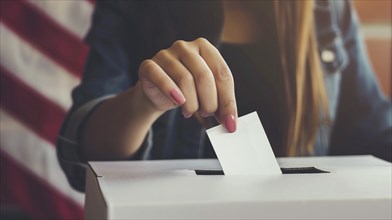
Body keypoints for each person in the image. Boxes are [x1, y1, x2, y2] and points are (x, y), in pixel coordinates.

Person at [57, 0, 392, 192]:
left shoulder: (325, 10)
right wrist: (144, 103)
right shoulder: (138, 7)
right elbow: (80, 157)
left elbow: (373, 135)